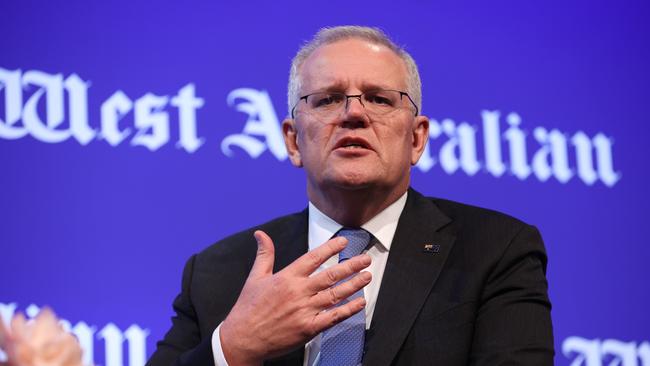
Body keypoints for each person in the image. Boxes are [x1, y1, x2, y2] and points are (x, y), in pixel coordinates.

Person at [148, 26, 554, 366]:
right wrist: (233, 347)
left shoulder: (494, 250)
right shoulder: (219, 272)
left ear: (416, 138)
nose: (354, 114)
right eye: (327, 99)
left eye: (379, 98)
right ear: (292, 141)